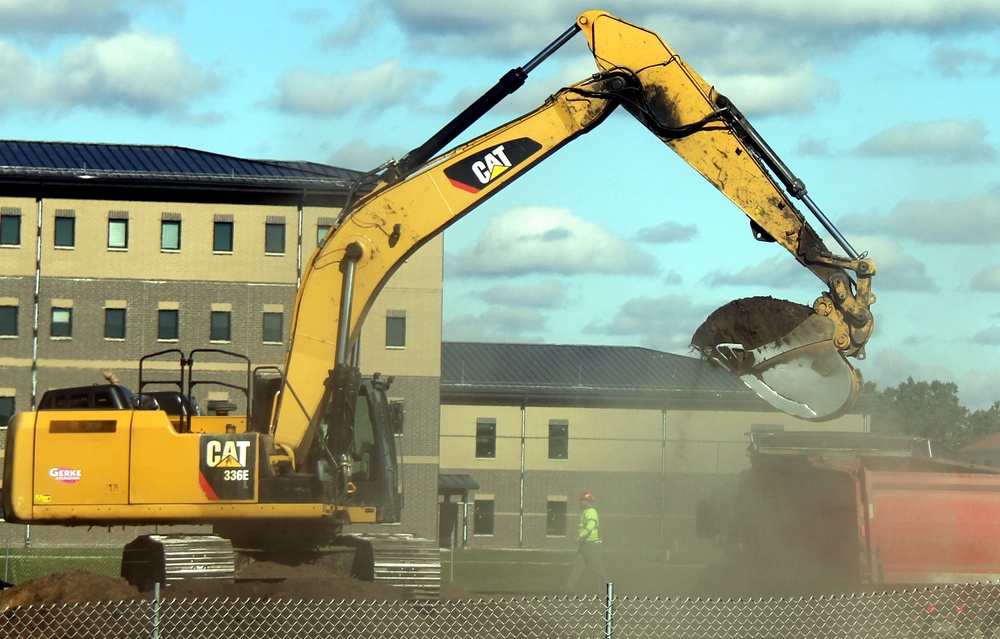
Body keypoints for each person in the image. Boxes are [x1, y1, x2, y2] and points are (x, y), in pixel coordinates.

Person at [565, 490, 610, 592]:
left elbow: (590, 526)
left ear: (586, 501)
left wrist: (580, 536)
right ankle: (568, 587)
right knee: (578, 565)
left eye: (582, 500)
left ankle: (609, 587)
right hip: (585, 545)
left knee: (598, 567)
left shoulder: (591, 512)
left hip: (590, 544)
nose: (580, 502)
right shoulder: (586, 512)